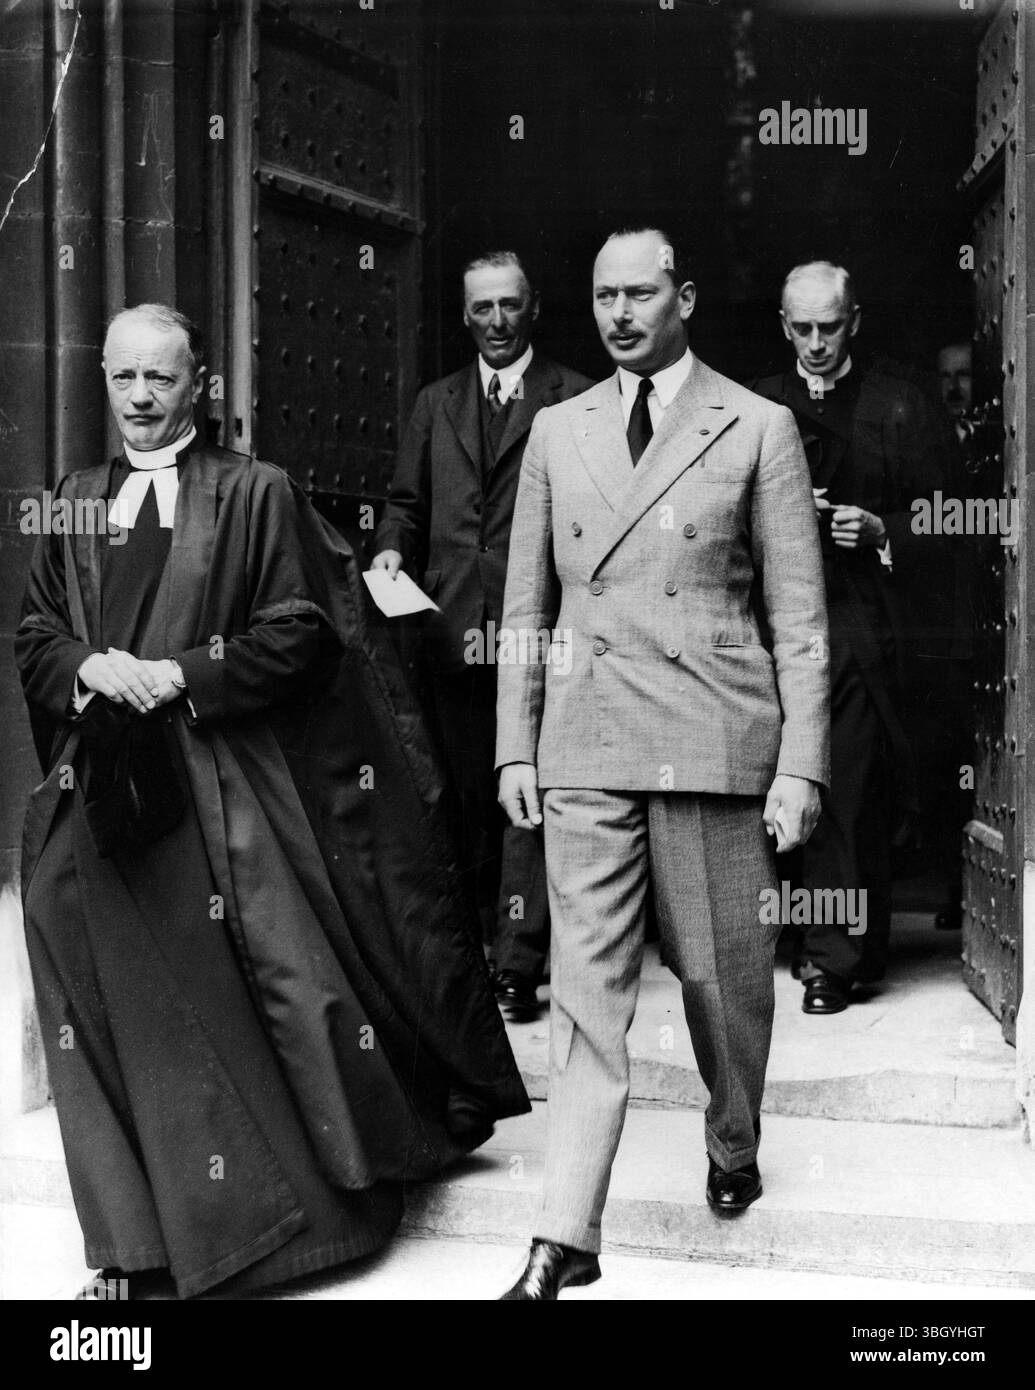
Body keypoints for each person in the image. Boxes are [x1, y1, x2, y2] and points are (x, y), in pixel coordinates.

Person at [16, 304, 528, 1300]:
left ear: (198, 383)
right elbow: (35, 634)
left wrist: (181, 676)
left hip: (213, 784)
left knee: (240, 992)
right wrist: (90, 669)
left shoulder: (256, 493)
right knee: (72, 961)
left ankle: (270, 1229)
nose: (140, 397)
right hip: (100, 792)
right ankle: (131, 1245)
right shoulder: (75, 500)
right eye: (123, 378)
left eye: (160, 379)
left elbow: (303, 633)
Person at [494, 228, 829, 1299]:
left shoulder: (760, 426)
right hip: (587, 743)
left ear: (682, 295)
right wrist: (515, 742)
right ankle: (565, 1233)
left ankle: (734, 1139)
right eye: (602, 296)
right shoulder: (557, 429)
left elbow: (802, 620)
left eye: (640, 294)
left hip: (713, 743)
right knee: (586, 996)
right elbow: (522, 608)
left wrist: (803, 766)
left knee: (723, 985)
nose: (620, 314)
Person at [373, 252, 592, 1022]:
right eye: (480, 310)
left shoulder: (575, 398)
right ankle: (470, 954)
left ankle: (517, 963)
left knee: (525, 794)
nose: (495, 322)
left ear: (533, 308)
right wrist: (393, 549)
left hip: (537, 634)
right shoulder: (435, 404)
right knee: (464, 798)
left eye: (508, 306)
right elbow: (406, 501)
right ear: (464, 316)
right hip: (451, 629)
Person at [751, 262, 945, 1012]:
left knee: (846, 790)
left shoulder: (901, 405)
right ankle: (763, 940)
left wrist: (879, 530)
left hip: (861, 629)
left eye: (828, 327)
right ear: (782, 324)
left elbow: (950, 518)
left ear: (854, 322)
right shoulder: (758, 405)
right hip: (769, 630)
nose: (815, 342)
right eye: (799, 328)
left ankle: (834, 959)